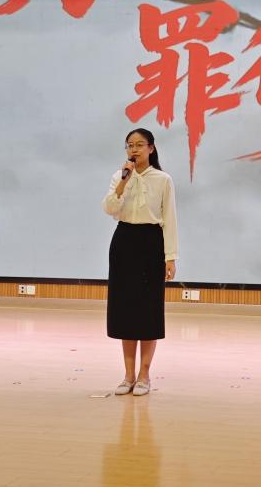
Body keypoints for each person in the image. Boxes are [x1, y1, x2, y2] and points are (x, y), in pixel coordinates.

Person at [101, 127, 178, 397]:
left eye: (139, 144)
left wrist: (170, 257)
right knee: (124, 309)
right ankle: (128, 375)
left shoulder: (163, 179)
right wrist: (124, 181)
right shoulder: (119, 176)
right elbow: (110, 208)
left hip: (151, 242)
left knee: (148, 310)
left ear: (151, 148)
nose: (133, 149)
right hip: (124, 241)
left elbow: (169, 219)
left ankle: (144, 375)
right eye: (129, 145)